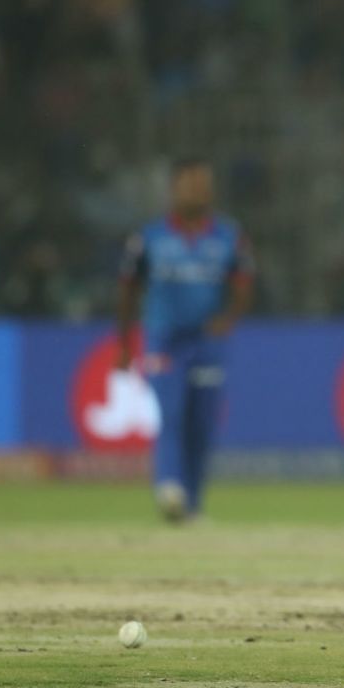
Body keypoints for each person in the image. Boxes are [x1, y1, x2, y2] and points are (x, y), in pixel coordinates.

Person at [115, 158, 254, 523]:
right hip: (164, 338)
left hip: (206, 342)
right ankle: (170, 486)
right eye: (190, 183)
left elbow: (242, 282)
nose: (198, 191)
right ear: (175, 188)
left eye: (203, 183)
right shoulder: (149, 237)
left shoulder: (228, 235)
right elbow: (128, 290)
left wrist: (228, 319)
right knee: (172, 413)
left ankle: (191, 504)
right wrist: (124, 342)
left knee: (203, 422)